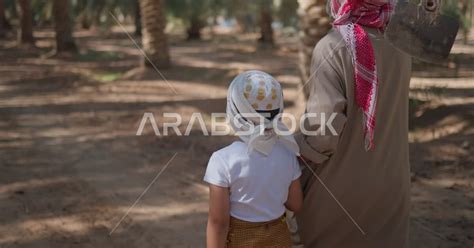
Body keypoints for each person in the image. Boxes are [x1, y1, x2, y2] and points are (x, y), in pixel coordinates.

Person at [293, 0, 412, 247]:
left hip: (340, 193)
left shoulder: (332, 46)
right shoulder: (400, 47)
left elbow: (322, 134)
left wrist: (290, 154)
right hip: (392, 189)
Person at [204, 70, 303, 248]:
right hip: (279, 240)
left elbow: (218, 222)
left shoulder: (222, 160)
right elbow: (295, 204)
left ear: (234, 111)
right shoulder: (288, 153)